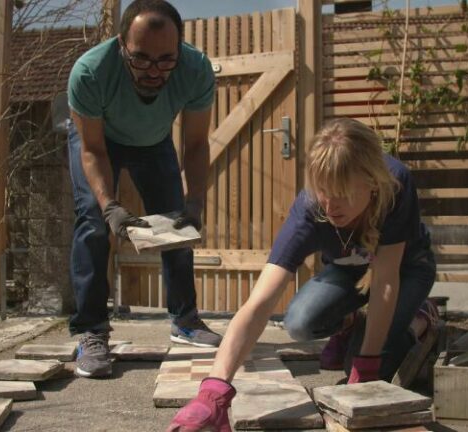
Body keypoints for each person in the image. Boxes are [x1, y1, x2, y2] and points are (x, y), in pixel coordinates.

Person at [166, 118, 438, 431]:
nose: (330, 206)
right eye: (324, 191)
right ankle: (351, 323)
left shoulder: (396, 184)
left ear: (372, 183)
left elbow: (386, 280)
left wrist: (366, 366)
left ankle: (421, 317)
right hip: (350, 269)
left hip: (406, 269)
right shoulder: (309, 210)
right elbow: (259, 303)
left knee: (368, 364)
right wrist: (214, 391)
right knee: (299, 321)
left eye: (342, 193)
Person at [66, 0, 222, 379]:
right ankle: (92, 330)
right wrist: (110, 206)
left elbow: (196, 144)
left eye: (166, 60)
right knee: (93, 223)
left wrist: (195, 201)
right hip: (99, 140)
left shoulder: (196, 69)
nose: (154, 71)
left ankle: (185, 319)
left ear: (179, 49)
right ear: (122, 45)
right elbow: (92, 150)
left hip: (154, 141)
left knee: (177, 224)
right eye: (141, 59)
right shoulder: (90, 72)